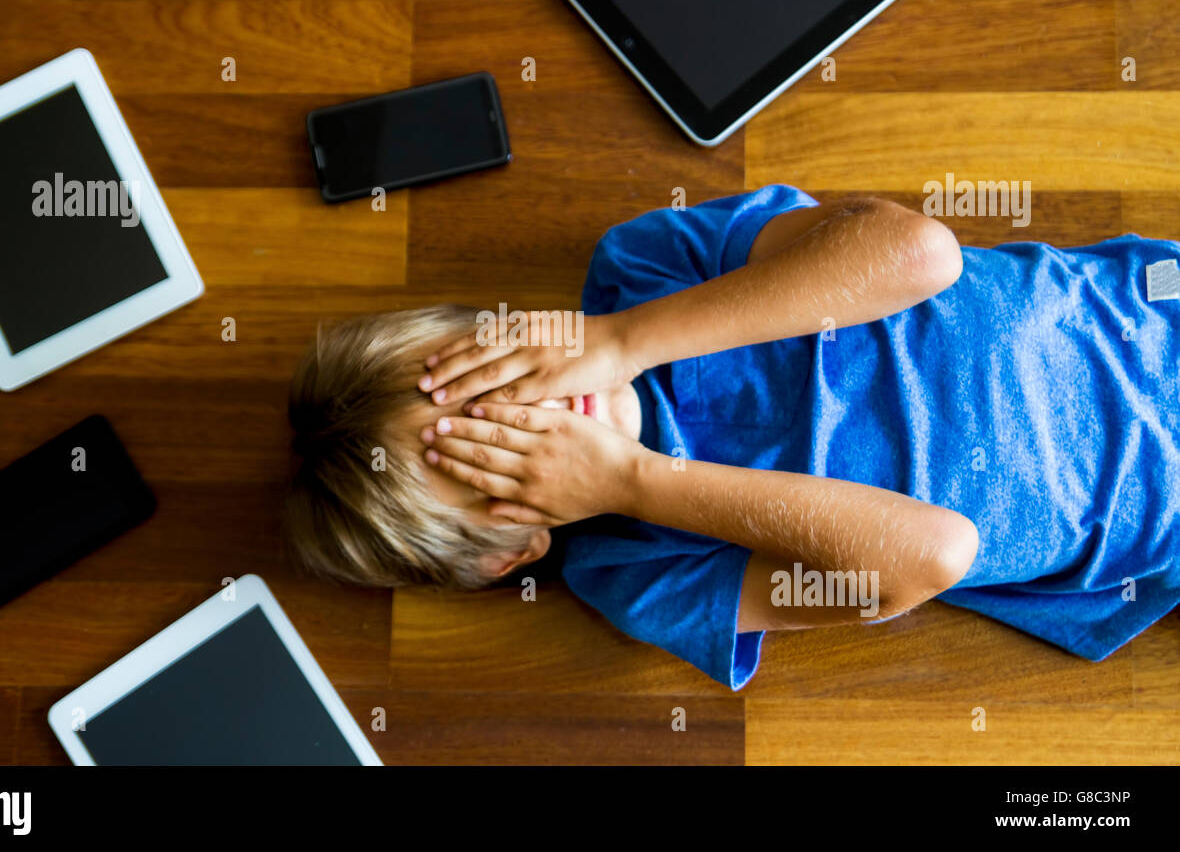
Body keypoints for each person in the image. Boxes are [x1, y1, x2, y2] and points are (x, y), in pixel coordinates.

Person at [287, 186, 1180, 688]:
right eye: (495, 460)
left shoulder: (645, 269)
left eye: (489, 391)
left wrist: (624, 339)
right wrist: (632, 484)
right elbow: (934, 555)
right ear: (512, 549)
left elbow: (920, 253)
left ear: (497, 328)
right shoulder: (637, 574)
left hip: (1146, 320)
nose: (540, 419)